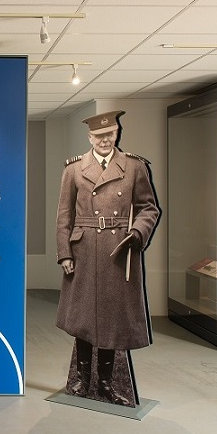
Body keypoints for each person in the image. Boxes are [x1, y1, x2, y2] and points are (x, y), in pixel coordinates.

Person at [55, 110, 160, 405]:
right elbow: (63, 216)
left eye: (109, 135)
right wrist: (64, 253)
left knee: (112, 319)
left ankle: (105, 383)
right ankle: (81, 378)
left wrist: (138, 234)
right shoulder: (74, 170)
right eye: (99, 136)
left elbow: (148, 208)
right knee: (84, 317)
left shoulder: (134, 167)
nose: (104, 140)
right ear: (90, 137)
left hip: (118, 251)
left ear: (117, 134)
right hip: (84, 250)